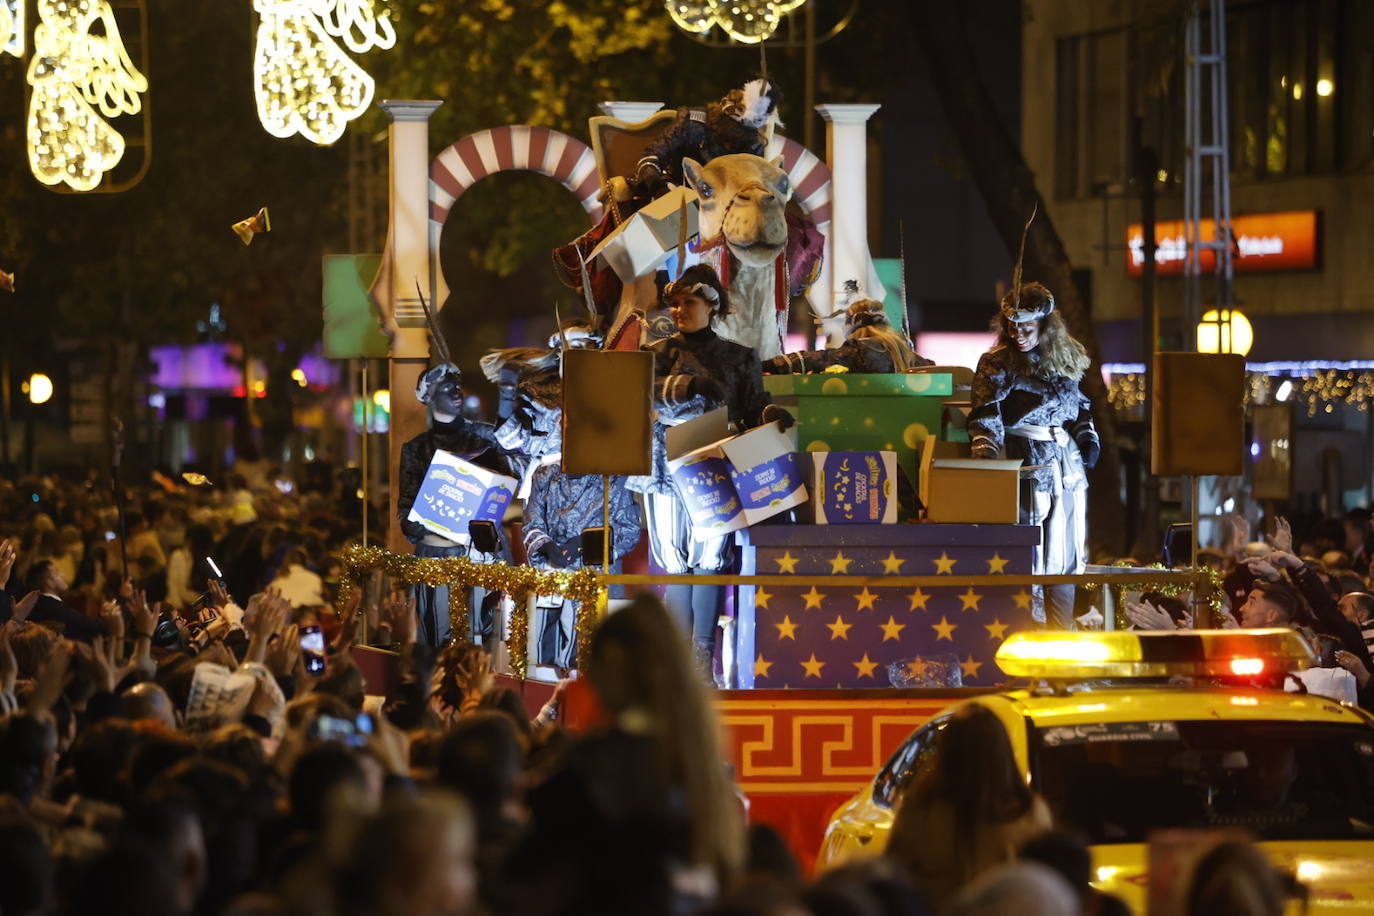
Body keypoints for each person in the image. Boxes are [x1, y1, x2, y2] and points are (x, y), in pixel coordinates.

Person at [627, 264, 787, 669]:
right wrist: (688, 386)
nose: (679, 310)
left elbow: (752, 407)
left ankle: (702, 655)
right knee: (675, 559)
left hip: (714, 467)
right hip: (666, 472)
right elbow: (643, 400)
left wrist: (771, 414)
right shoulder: (655, 356)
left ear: (711, 305)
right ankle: (678, 657)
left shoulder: (740, 357)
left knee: (710, 557)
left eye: (689, 303)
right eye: (676, 304)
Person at [969, 281, 1097, 629]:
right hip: (1023, 462)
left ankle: (1062, 633)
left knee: (1066, 554)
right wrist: (986, 455)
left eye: (1026, 326)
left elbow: (1080, 406)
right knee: (1030, 551)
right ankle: (1032, 633)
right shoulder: (998, 362)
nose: (1019, 333)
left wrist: (1088, 438)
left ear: (1045, 324)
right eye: (1012, 326)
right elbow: (985, 414)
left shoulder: (1066, 356)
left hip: (1066, 465)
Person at [885, 704, 1052, 909]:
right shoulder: (1030, 813)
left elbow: (894, 878)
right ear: (1003, 752)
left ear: (946, 752)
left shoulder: (921, 811)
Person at [396, 363, 502, 647]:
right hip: (434, 556)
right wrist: (433, 527)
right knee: (436, 635)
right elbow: (406, 510)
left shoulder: (484, 438)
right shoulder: (415, 449)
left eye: (457, 385)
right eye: (446, 387)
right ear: (428, 397)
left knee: (479, 634)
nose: (456, 392)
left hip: (476, 555)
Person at [764, 298, 932, 375]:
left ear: (850, 327)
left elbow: (816, 359)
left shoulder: (859, 350)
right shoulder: (910, 356)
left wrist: (767, 365)